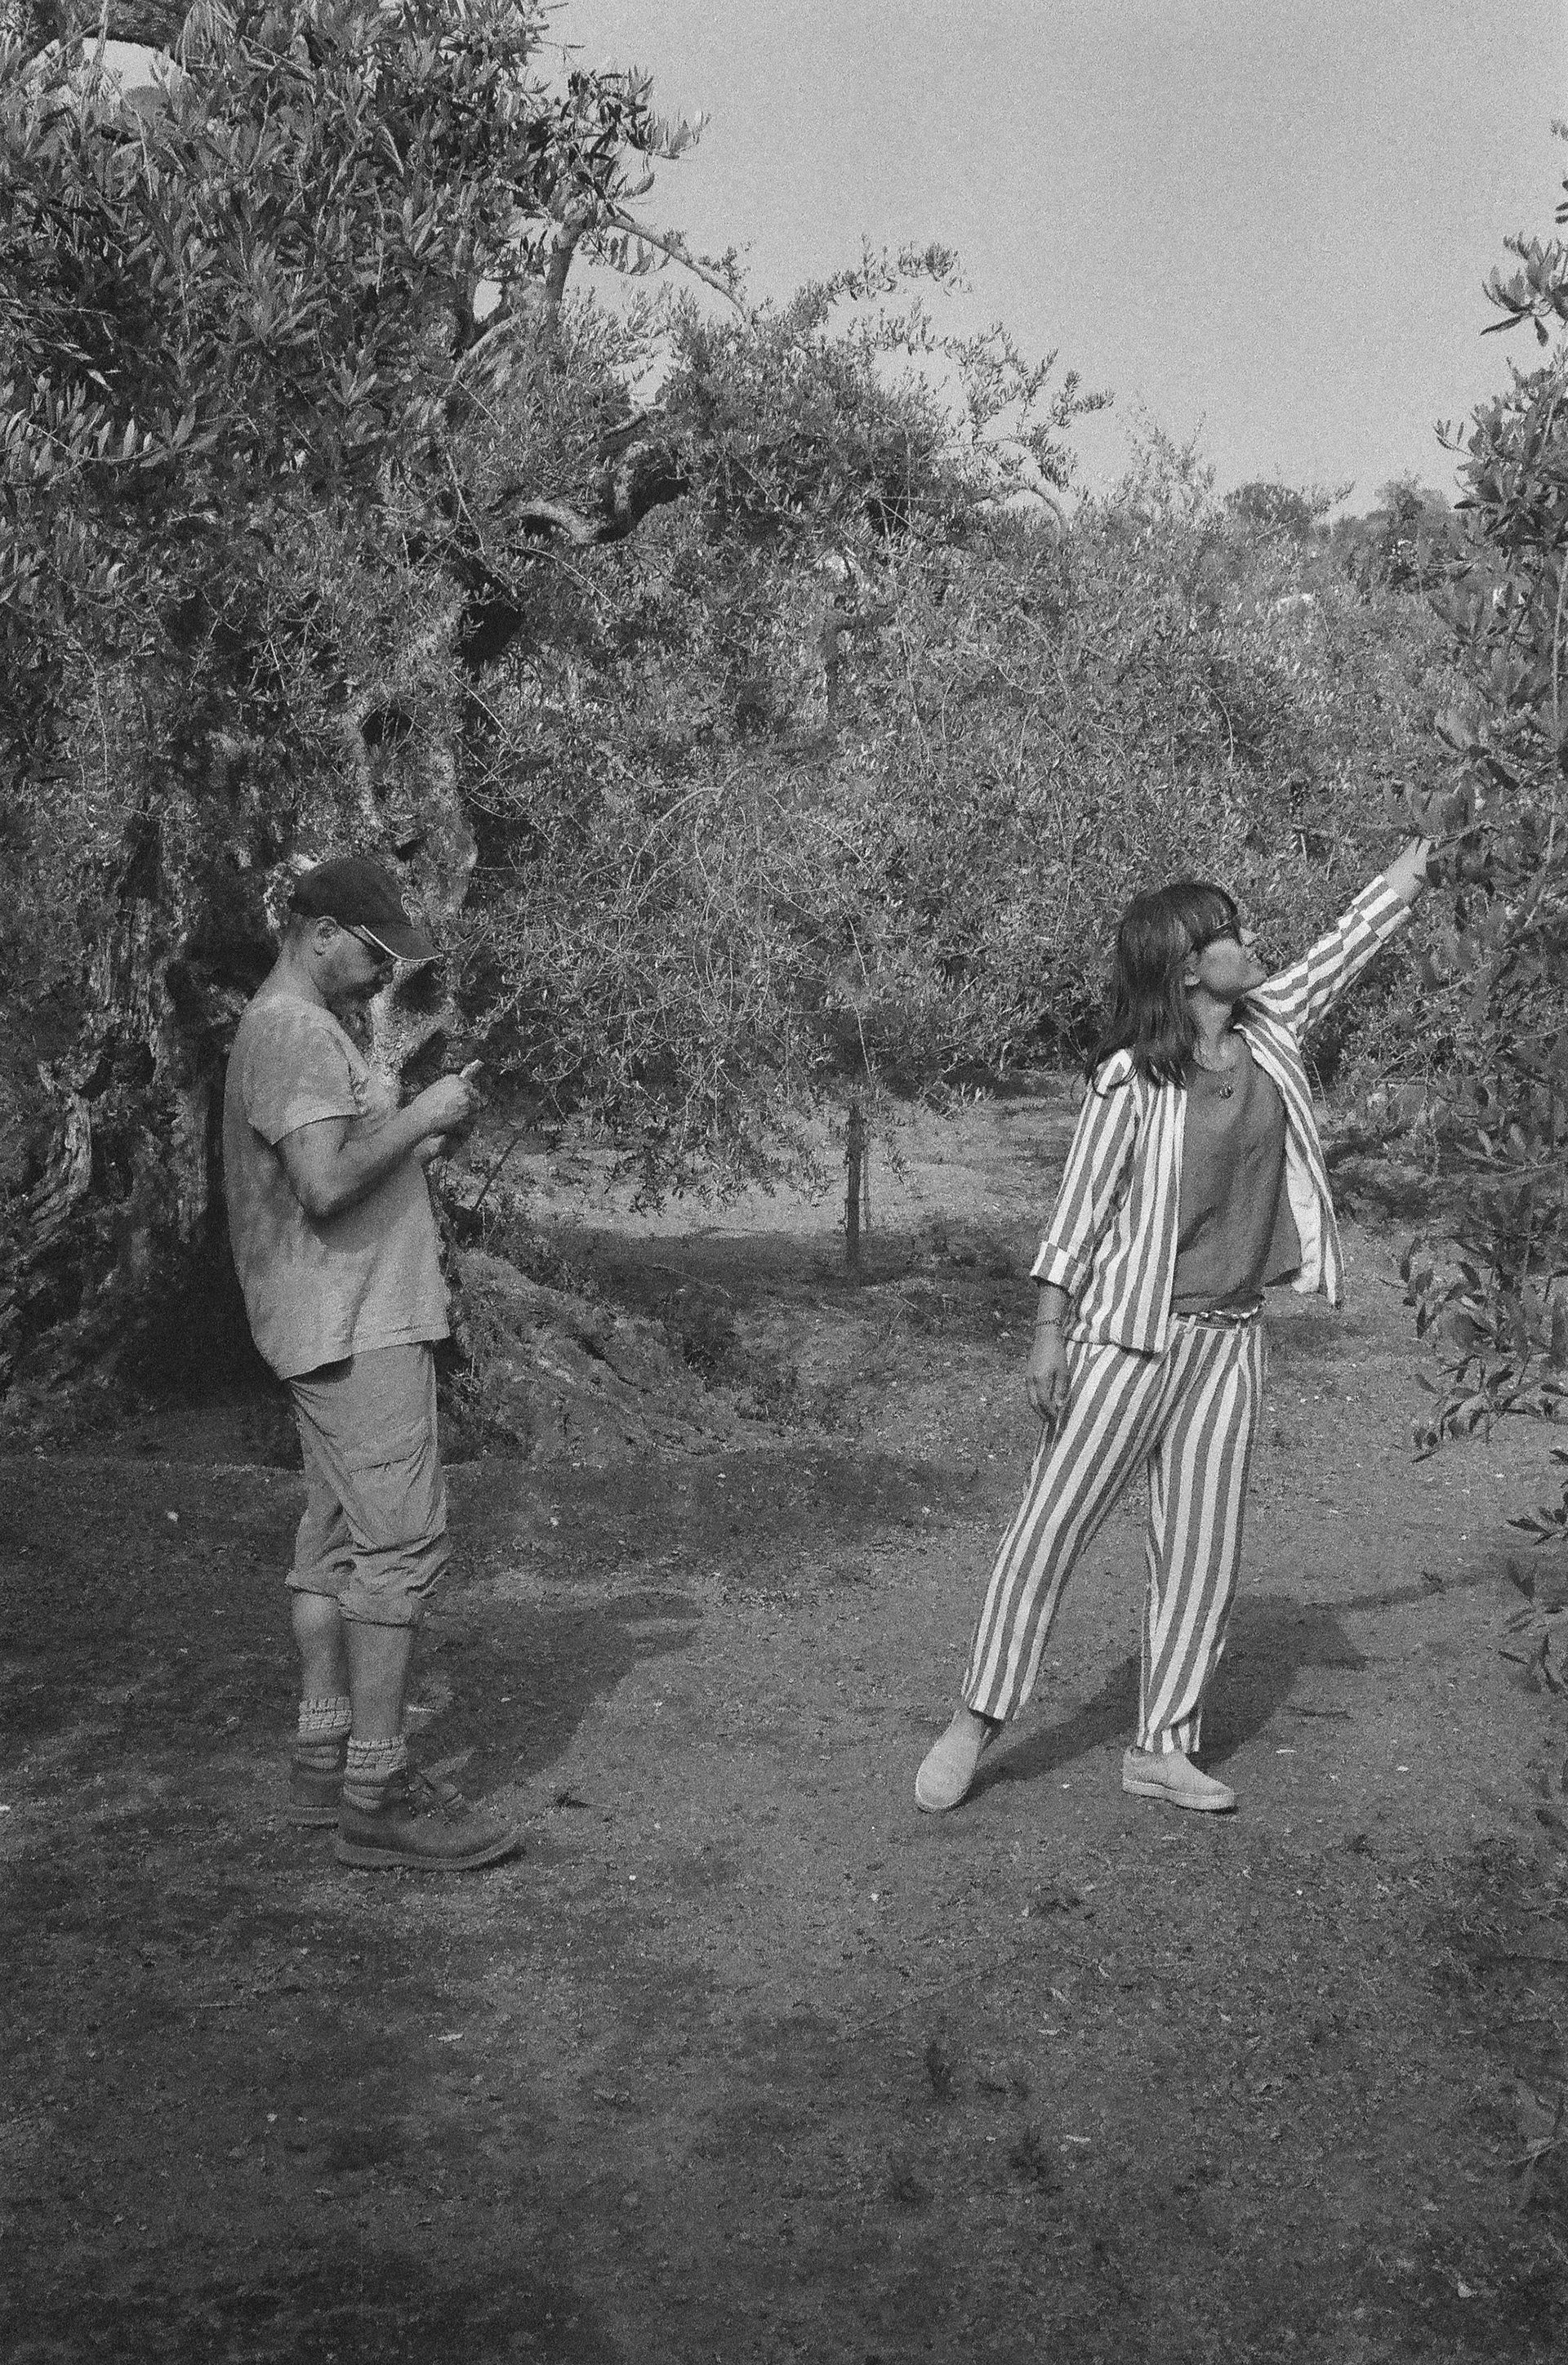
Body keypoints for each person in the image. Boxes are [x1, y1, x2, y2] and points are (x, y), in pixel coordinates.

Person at [915, 836, 1436, 1818]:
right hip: (1127, 1341)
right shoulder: (1130, 1080)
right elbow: (1079, 1211)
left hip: (1229, 1341)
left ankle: (1162, 1745)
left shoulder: (1271, 1029)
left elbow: (1342, 949)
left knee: (1201, 1549)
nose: (1250, 944)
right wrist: (1047, 1330)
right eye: (1229, 933)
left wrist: (1415, 872)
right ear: (1188, 965)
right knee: (1048, 1530)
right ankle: (975, 1719)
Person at [223, 853, 518, 1872]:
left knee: (337, 1538)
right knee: (397, 1546)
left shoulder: (289, 1028)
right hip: (356, 1325)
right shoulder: (297, 1032)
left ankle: (322, 1757)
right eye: (374, 951)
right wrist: (424, 1116)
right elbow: (324, 1184)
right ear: (319, 932)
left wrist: (410, 1132)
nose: (384, 974)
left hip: (327, 1317)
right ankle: (378, 1795)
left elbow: (342, 1167)